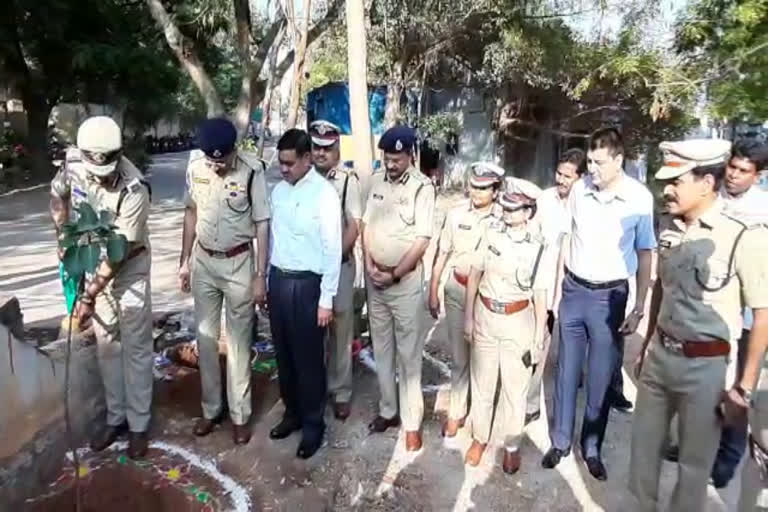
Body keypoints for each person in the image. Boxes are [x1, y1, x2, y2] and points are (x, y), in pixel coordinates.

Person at [629, 139, 768, 511]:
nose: (667, 189)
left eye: (677, 181)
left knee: (693, 469)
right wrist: (645, 346)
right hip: (660, 356)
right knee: (642, 456)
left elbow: (763, 314)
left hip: (706, 369)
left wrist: (744, 388)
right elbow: (662, 285)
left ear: (706, 184)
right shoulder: (669, 226)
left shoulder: (745, 235)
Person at [542, 127, 656, 480]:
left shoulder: (638, 199)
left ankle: (591, 448)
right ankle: (560, 441)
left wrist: (638, 308)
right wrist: (556, 290)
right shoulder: (579, 190)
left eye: (599, 163)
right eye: (589, 161)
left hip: (610, 298)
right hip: (574, 292)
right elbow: (565, 240)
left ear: (619, 160)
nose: (592, 169)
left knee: (599, 377)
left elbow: (645, 252)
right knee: (566, 372)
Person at [50, 116, 153, 458]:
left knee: (135, 347)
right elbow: (58, 196)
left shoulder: (134, 187)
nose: (102, 178)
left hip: (128, 268)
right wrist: (63, 235)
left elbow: (119, 252)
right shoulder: (71, 165)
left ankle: (139, 425)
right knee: (108, 345)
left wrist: (89, 294)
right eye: (96, 172)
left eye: (107, 169)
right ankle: (116, 417)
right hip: (94, 263)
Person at [178, 118, 270, 446]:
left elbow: (261, 225)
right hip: (204, 262)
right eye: (211, 160)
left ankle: (240, 414)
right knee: (204, 339)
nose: (216, 166)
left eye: (222, 160)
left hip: (238, 264)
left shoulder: (251, 170)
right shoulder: (196, 168)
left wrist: (260, 276)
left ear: (233, 152)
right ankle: (211, 408)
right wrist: (184, 261)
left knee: (238, 342)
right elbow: (190, 213)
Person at [462, 179, 548, 474]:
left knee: (515, 388)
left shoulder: (538, 247)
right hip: (486, 316)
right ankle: (479, 438)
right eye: (506, 207)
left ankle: (511, 446)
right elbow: (474, 275)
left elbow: (539, 294)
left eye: (515, 209)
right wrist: (468, 317)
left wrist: (538, 337)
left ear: (528, 212)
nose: (507, 213)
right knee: (483, 383)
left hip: (518, 321)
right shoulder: (490, 234)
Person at [267, 128, 342, 459]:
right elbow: (272, 239)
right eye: (280, 163)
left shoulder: (324, 194)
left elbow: (332, 248)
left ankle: (313, 425)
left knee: (309, 359)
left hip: (309, 286)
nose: (283, 169)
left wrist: (326, 298)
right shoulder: (278, 193)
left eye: (289, 163)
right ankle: (292, 414)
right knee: (283, 355)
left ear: (307, 159)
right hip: (280, 281)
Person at [362, 125, 436, 451]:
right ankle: (388, 411)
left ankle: (412, 423)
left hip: (403, 285)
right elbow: (366, 226)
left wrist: (393, 274)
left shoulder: (423, 188)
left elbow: (422, 240)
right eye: (387, 158)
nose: (391, 164)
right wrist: (368, 264)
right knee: (382, 350)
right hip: (374, 281)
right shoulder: (376, 181)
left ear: (410, 155)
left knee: (408, 356)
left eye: (397, 159)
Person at [428, 162, 503, 438]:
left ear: (495, 191)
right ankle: (458, 411)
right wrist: (433, 286)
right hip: (457, 292)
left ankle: (482, 421)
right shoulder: (456, 213)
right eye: (473, 185)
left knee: (484, 362)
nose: (476, 192)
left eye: (483, 188)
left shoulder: (505, 217)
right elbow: (442, 251)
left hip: (489, 298)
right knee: (460, 357)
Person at [525, 148, 585, 425]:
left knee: (571, 344)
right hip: (543, 281)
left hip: (573, 283)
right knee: (539, 338)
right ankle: (531, 402)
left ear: (580, 178)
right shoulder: (544, 199)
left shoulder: (586, 205)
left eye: (568, 176)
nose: (561, 180)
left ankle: (575, 378)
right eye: (559, 174)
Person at [309, 120, 363, 420]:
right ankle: (314, 389)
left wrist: (331, 259)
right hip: (309, 270)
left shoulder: (346, 180)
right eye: (316, 147)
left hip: (339, 267)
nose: (320, 154)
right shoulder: (302, 179)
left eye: (327, 149)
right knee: (313, 331)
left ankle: (340, 392)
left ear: (337, 149)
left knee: (340, 328)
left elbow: (354, 225)